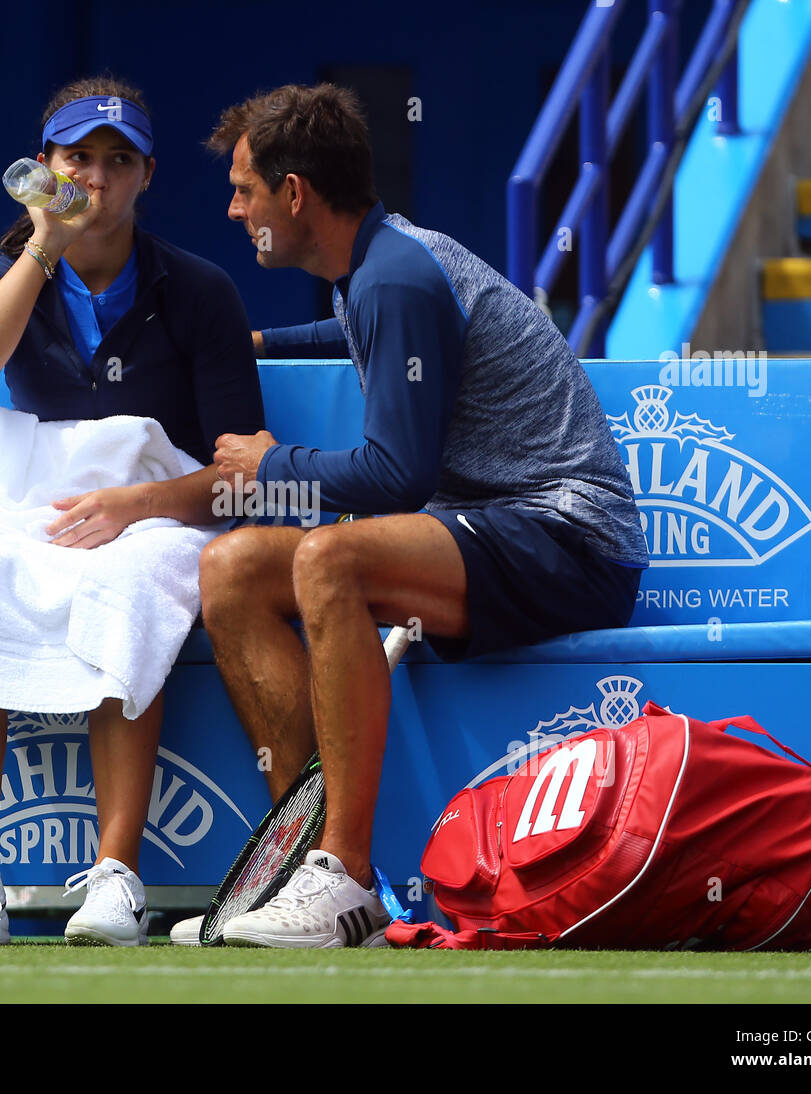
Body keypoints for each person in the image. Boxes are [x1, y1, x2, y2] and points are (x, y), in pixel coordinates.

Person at [180, 83, 647, 948]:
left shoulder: (393, 280)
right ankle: (292, 867)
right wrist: (261, 345)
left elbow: (397, 476)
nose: (233, 207)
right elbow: (357, 333)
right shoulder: (375, 270)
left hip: (571, 540)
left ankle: (346, 878)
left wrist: (269, 462)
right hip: (495, 533)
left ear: (295, 194)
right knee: (232, 568)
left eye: (246, 188)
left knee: (328, 561)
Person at [0, 76, 263, 947]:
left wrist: (137, 501)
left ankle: (117, 882)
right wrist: (43, 245)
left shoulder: (200, 291)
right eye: (79, 160)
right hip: (30, 508)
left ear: (147, 176)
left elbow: (241, 471)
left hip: (159, 515)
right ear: (47, 169)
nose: (98, 182)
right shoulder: (5, 276)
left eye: (119, 162)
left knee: (125, 576)